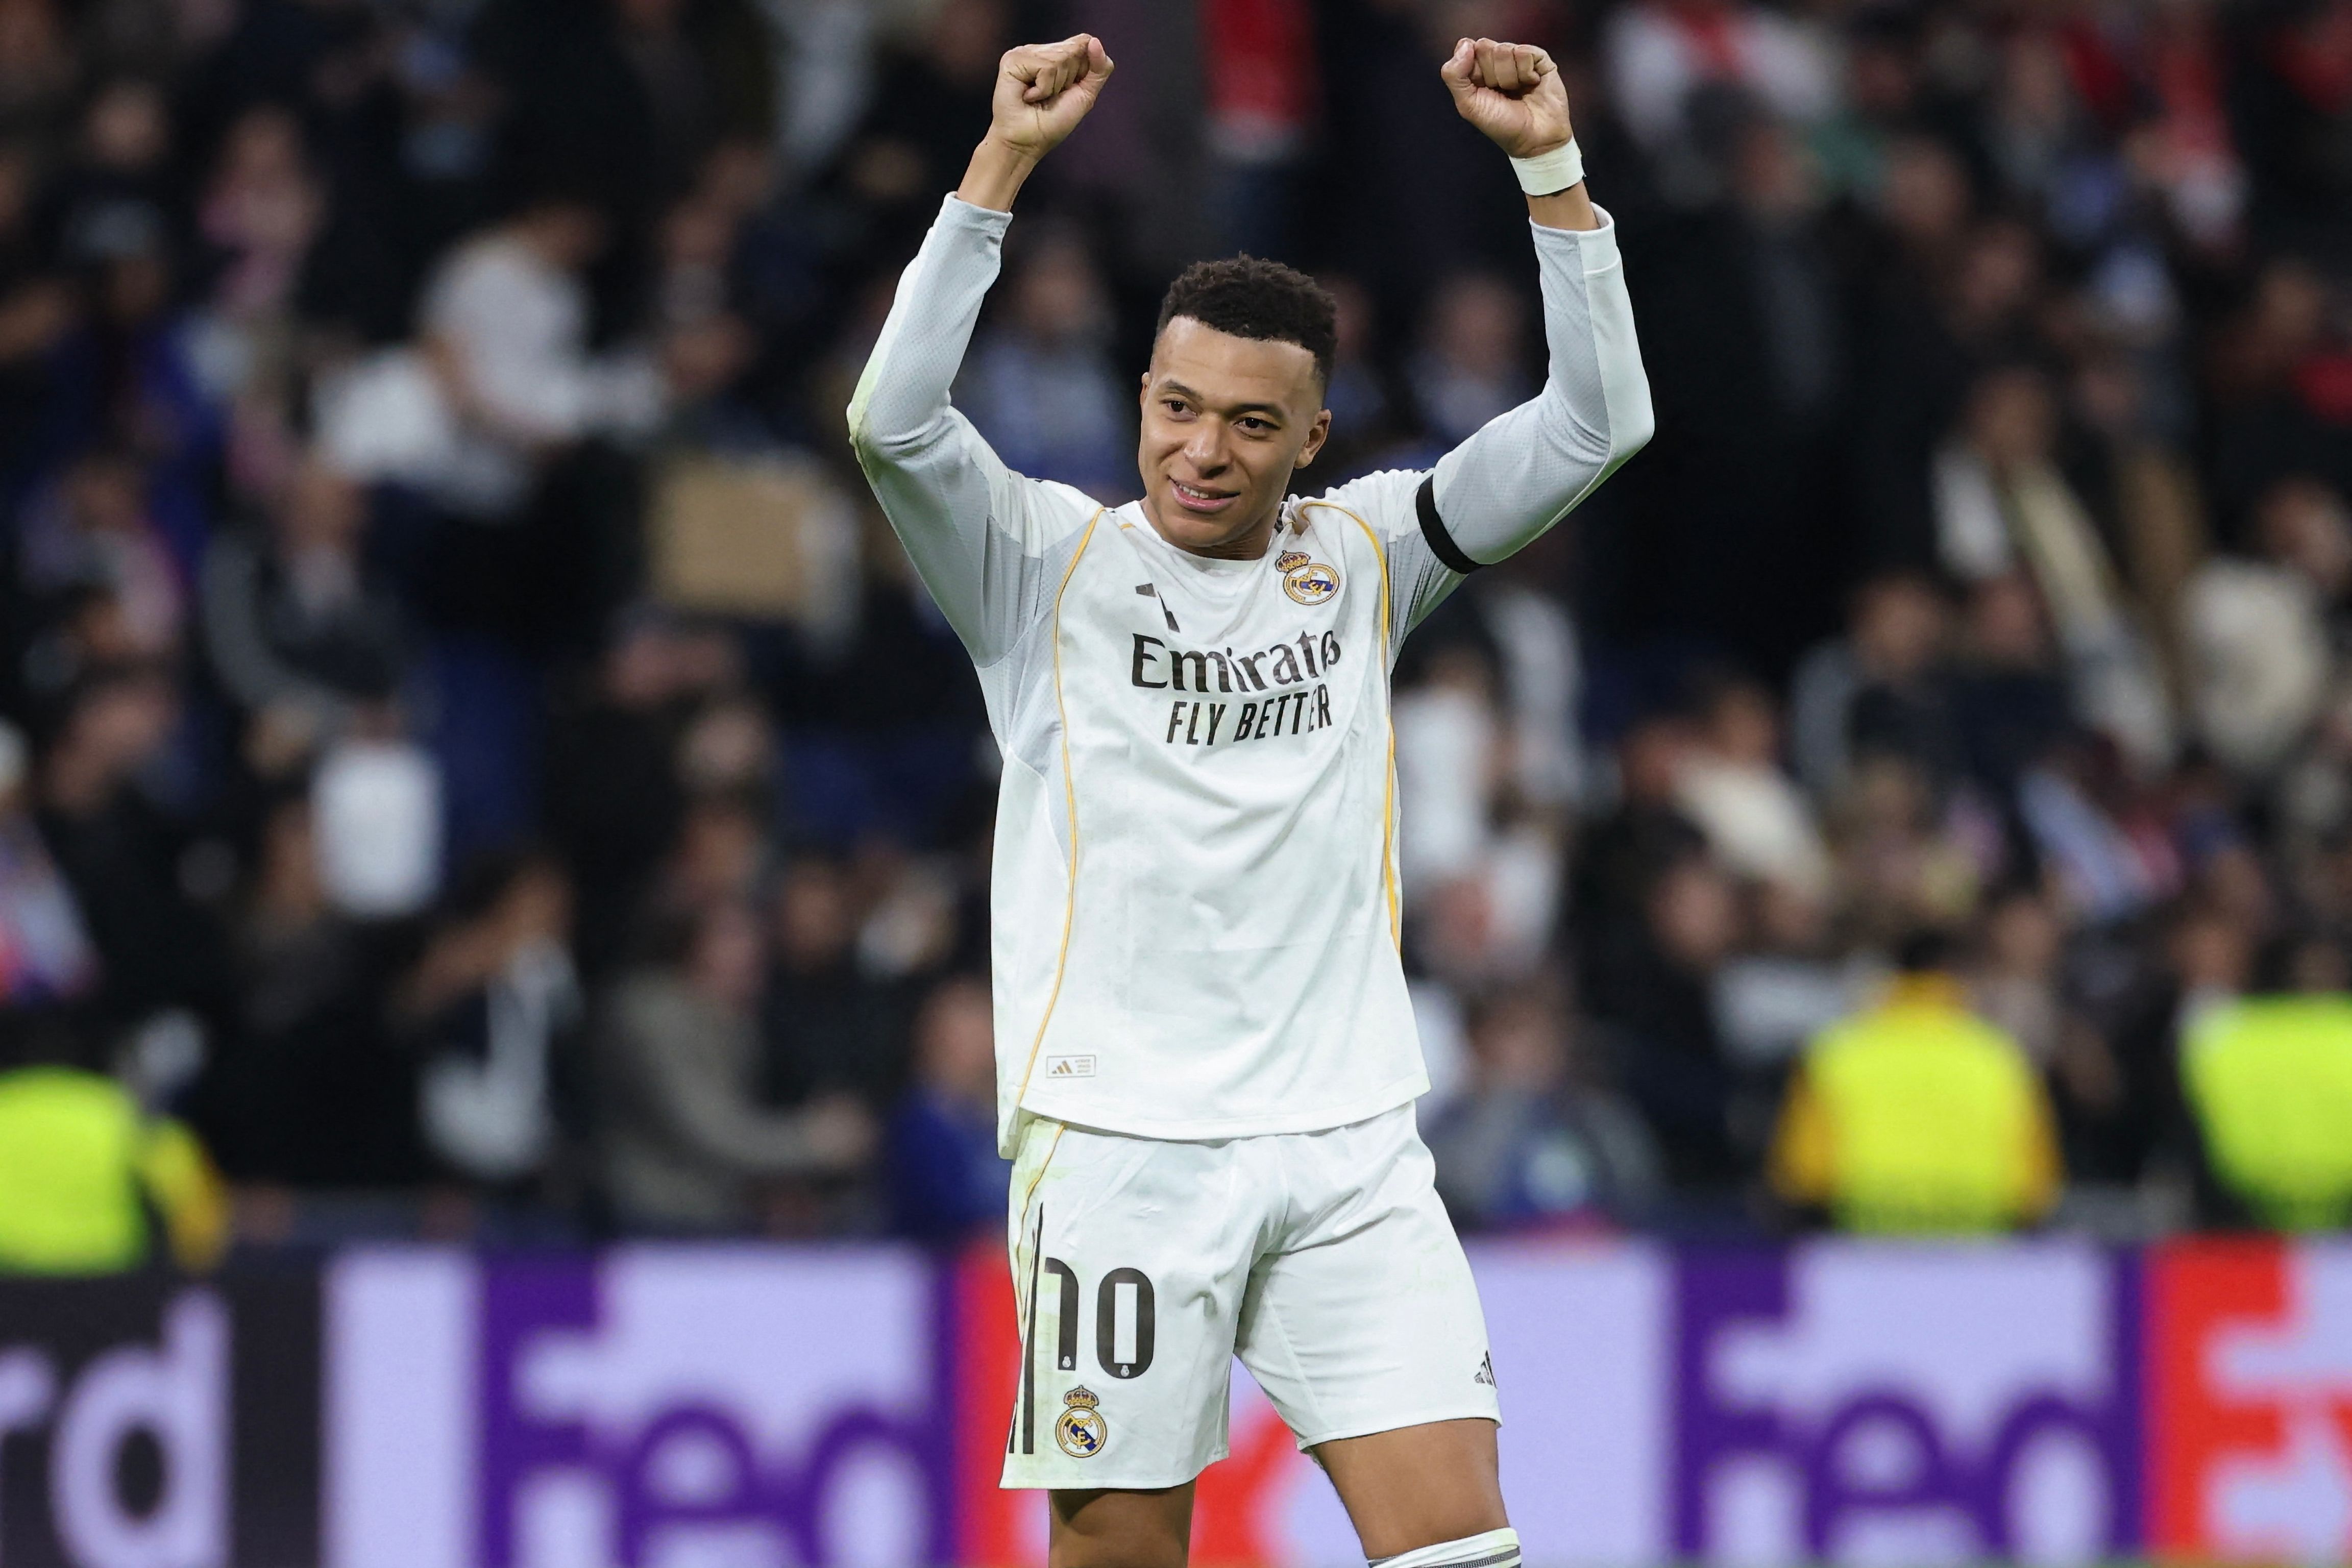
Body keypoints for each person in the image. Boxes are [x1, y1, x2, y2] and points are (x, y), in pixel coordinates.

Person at [847, 31, 1650, 1568]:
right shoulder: (1039, 565)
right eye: (1178, 406)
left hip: (1350, 1144)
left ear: (1314, 440)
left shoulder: (1370, 553)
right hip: (1124, 1144)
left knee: (1461, 1547)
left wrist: (1552, 176)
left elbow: (1592, 426)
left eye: (1251, 422)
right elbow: (891, 422)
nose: (1202, 450)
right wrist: (999, 169)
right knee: (1122, 1551)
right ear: (1143, 395)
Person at [1769, 930, 2062, 1233]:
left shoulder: (1836, 1052)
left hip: (1862, 1247)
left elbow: (1801, 1176)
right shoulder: (2001, 1058)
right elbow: (2036, 1189)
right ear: (1960, 975)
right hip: (1979, 1249)